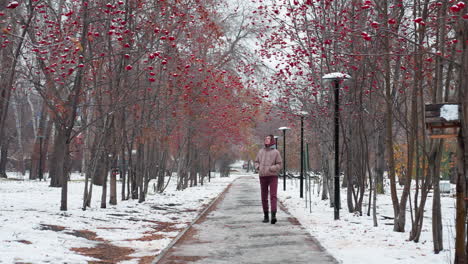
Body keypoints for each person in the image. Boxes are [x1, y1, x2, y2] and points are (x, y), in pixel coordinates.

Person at [254, 134, 283, 224]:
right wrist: (258, 167)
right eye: (265, 138)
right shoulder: (260, 151)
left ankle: (273, 216)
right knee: (264, 197)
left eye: (268, 139)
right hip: (262, 176)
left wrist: (272, 168)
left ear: (272, 141)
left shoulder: (276, 152)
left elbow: (279, 164)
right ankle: (266, 216)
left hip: (272, 176)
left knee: (273, 196)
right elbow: (256, 161)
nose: (266, 140)